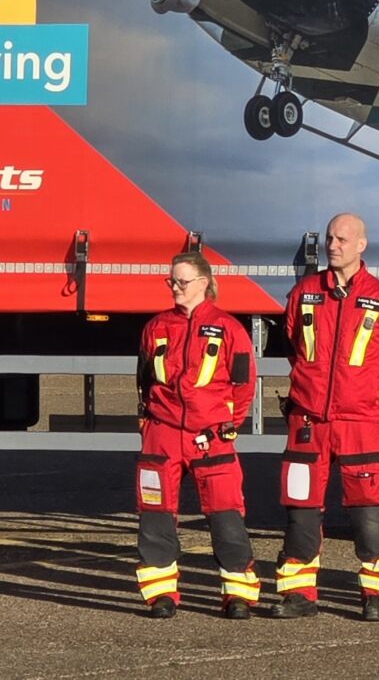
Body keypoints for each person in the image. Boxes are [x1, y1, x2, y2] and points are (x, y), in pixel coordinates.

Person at [270, 213, 379, 622]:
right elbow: (294, 346)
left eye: (342, 239)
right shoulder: (305, 293)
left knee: (367, 512)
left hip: (359, 423)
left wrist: (366, 389)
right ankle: (299, 595)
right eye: (330, 238)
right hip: (309, 421)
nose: (333, 246)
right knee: (300, 510)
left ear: (361, 245)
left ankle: (376, 595)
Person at [134, 251, 259, 619]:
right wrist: (150, 422)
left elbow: (244, 385)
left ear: (204, 283)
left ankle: (238, 595)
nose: (174, 287)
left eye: (182, 281)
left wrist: (227, 424)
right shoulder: (156, 327)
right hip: (162, 433)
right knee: (155, 516)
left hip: (211, 435)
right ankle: (161, 596)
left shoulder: (229, 328)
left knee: (226, 516)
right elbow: (144, 380)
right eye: (171, 281)